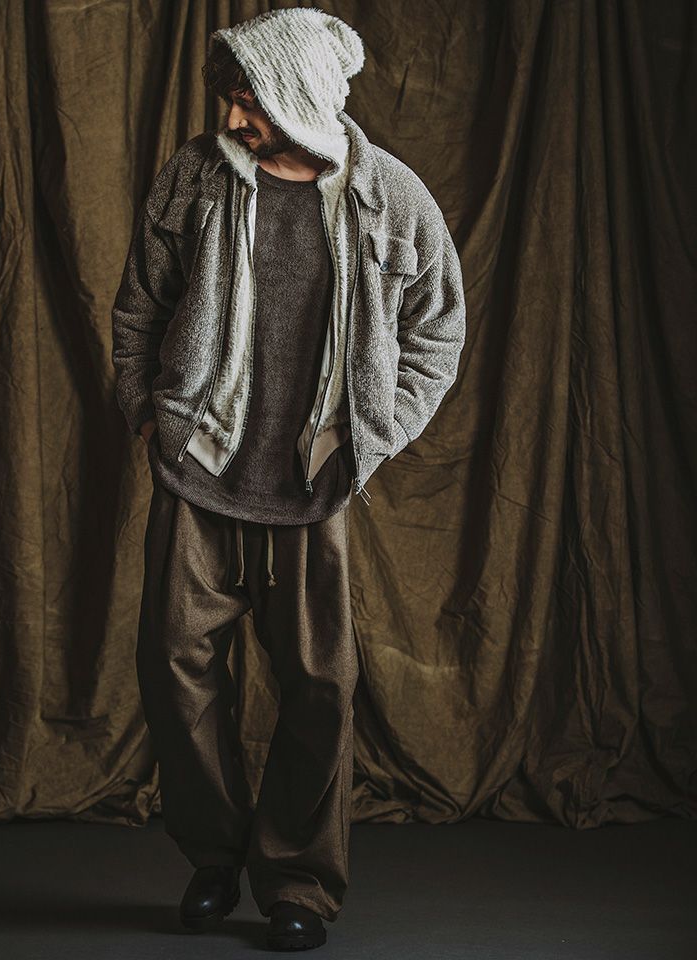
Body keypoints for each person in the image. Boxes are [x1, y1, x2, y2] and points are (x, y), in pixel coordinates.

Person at [111, 7, 466, 951]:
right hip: (201, 468)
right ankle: (216, 858)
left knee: (319, 687)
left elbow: (438, 330)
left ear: (296, 93)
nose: (232, 117)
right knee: (175, 668)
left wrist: (377, 434)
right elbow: (139, 304)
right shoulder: (196, 175)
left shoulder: (388, 195)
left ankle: (298, 880)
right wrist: (147, 412)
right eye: (230, 98)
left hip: (313, 485)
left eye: (248, 99)